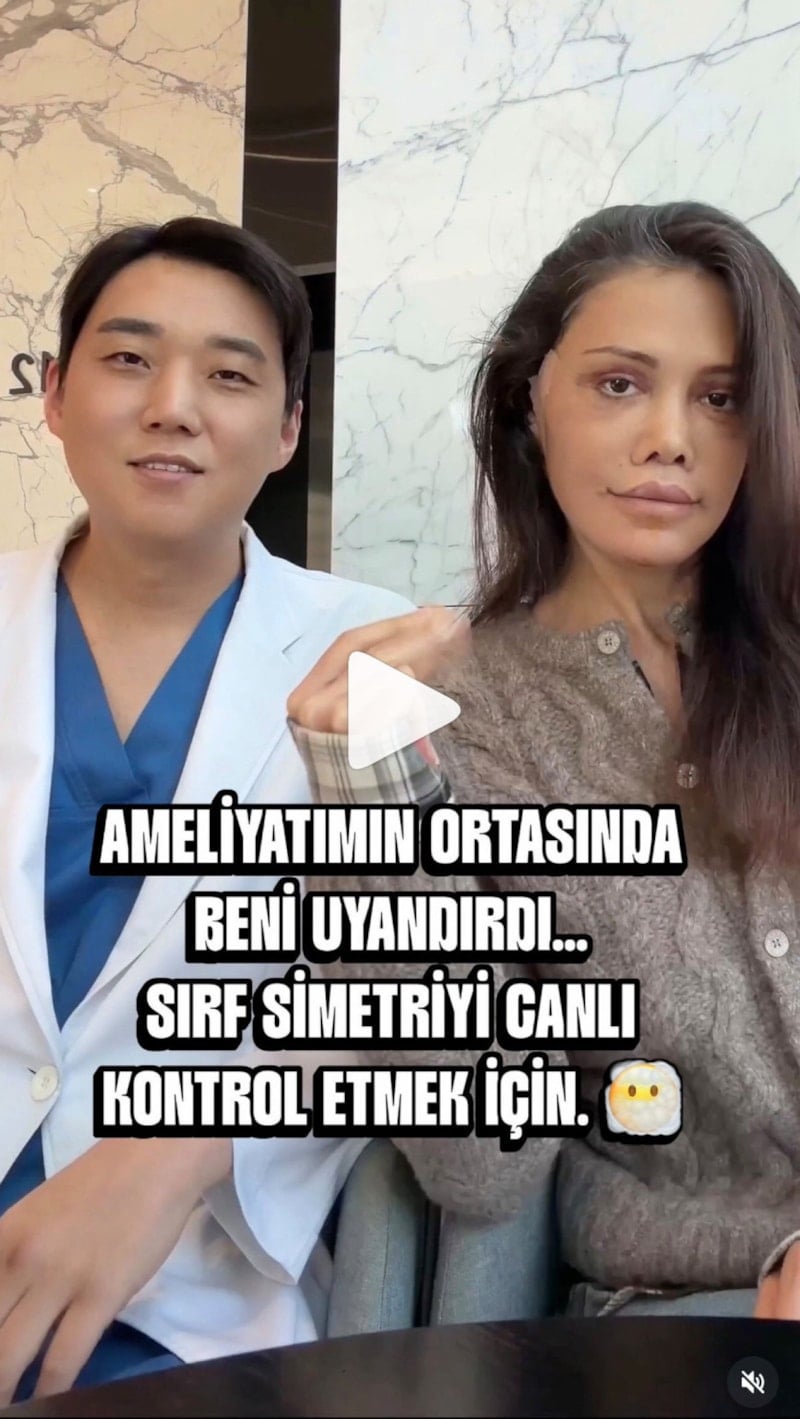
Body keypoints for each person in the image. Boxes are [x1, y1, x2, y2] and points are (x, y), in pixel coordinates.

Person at [288, 201, 800, 1323]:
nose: (670, 437)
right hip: (691, 1310)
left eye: (721, 398)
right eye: (619, 384)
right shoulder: (462, 717)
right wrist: (369, 812)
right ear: (530, 398)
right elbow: (483, 1168)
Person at [0, 215, 412, 1402]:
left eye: (229, 376)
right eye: (129, 359)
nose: (173, 406)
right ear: (55, 394)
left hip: (190, 1294)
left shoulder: (377, 654)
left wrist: (189, 1140)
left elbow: (416, 979)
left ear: (287, 430)